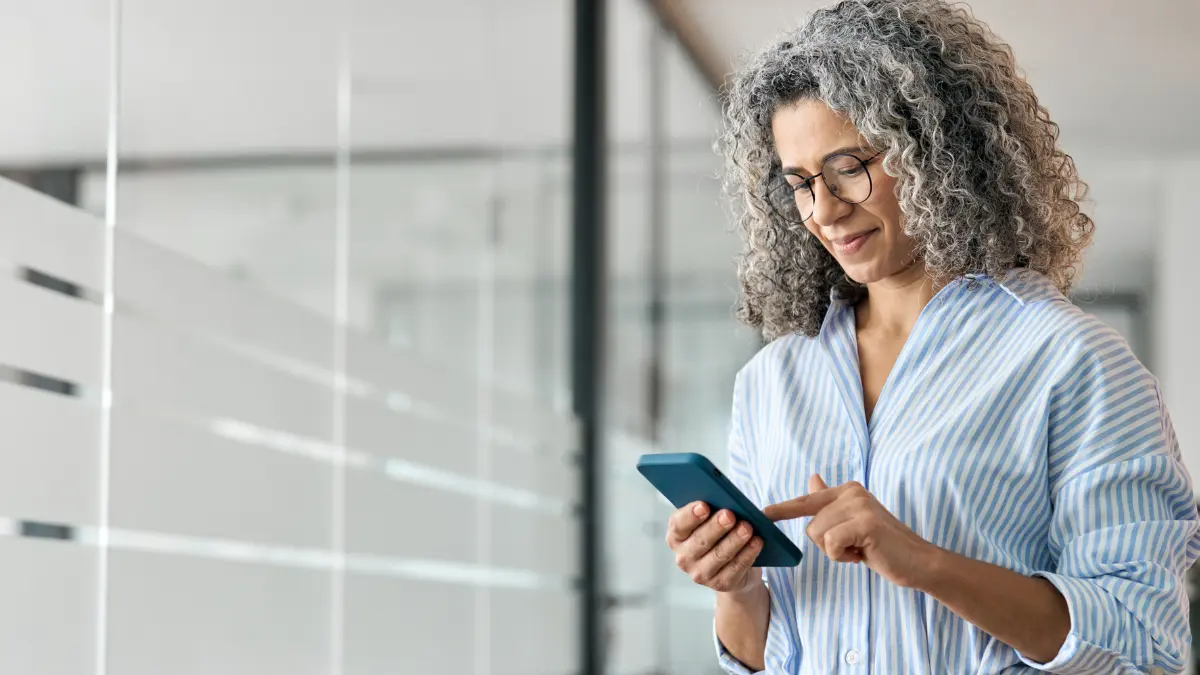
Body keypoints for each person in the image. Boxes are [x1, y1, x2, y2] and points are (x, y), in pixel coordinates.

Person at [662, 1, 1200, 673]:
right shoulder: (771, 382)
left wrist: (926, 562)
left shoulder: (1071, 363)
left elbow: (1144, 648)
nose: (824, 211)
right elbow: (765, 657)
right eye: (800, 183)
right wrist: (736, 587)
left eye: (850, 166)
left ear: (935, 154)